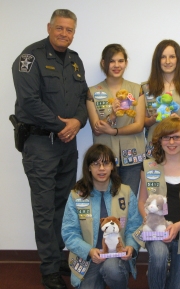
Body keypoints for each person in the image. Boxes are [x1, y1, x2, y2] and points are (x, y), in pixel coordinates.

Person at [12, 9, 88, 289]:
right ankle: (48, 271)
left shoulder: (75, 60)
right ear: (49, 27)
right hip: (41, 144)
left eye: (69, 30)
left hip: (68, 146)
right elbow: (29, 101)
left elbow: (84, 96)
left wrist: (79, 121)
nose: (64, 34)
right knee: (44, 209)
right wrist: (62, 126)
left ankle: (57, 261)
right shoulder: (29, 58)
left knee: (63, 206)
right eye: (60, 28)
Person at [62, 144, 142, 289]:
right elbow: (69, 232)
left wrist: (131, 246)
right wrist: (89, 251)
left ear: (112, 166)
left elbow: (134, 225)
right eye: (96, 164)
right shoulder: (76, 195)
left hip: (116, 255)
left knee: (112, 269)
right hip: (89, 258)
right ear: (88, 168)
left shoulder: (126, 192)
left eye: (106, 163)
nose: (101, 168)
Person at [138, 117, 180, 289]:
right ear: (159, 140)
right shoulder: (148, 166)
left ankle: (158, 272)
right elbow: (142, 201)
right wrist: (149, 219)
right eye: (166, 137)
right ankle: (157, 270)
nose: (172, 142)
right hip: (156, 231)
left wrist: (176, 227)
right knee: (159, 255)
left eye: (177, 137)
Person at [87, 44, 145, 196]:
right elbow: (96, 129)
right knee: (106, 200)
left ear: (126, 63)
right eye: (112, 61)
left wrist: (114, 131)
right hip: (104, 161)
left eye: (121, 61)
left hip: (132, 157)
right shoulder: (93, 92)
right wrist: (112, 115)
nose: (117, 65)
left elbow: (139, 125)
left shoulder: (136, 89)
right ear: (103, 63)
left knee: (129, 200)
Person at [142, 39, 180, 158]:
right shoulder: (146, 87)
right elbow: (143, 122)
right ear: (157, 60)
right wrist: (153, 119)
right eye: (163, 57)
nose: (167, 61)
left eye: (172, 56)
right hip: (155, 147)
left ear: (178, 59)